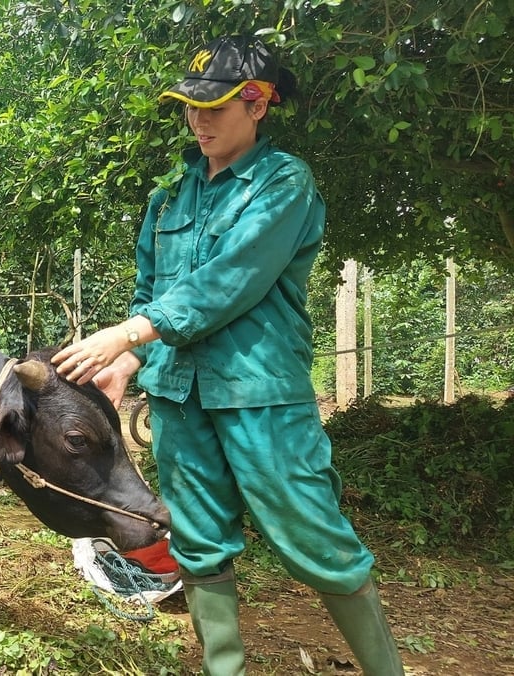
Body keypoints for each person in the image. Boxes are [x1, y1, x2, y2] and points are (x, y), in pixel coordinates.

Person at [52, 35, 404, 675]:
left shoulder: (283, 184)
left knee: (314, 538)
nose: (199, 119)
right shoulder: (168, 199)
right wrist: (127, 364)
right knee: (199, 545)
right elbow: (150, 291)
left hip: (259, 393)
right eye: (190, 106)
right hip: (180, 398)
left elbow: (230, 280)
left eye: (214, 106)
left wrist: (126, 335)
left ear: (258, 103)